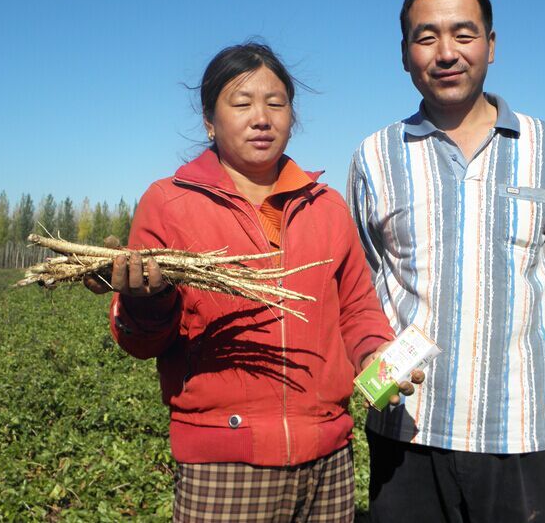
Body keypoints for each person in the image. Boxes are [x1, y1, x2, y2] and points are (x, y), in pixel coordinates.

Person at [85, 42, 422, 522]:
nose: (261, 118)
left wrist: (374, 352)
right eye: (241, 103)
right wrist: (146, 302)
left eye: (276, 103)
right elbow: (142, 342)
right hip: (223, 465)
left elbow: (357, 309)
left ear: (292, 116)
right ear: (209, 120)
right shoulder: (168, 204)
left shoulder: (326, 206)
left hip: (329, 459)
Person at [347, 0, 545, 523]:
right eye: (426, 37)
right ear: (404, 54)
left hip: (523, 425)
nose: (446, 52)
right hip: (410, 424)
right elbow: (366, 274)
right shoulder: (375, 156)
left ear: (491, 45)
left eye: (464, 34)